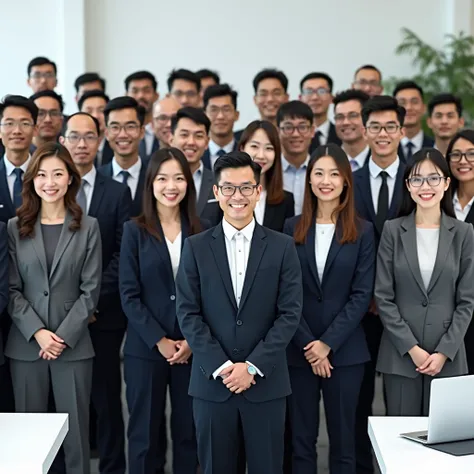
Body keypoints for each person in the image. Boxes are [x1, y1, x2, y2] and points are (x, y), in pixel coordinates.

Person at [176, 151, 302, 474]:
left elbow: (289, 313)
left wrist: (253, 366)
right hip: (212, 385)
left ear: (258, 192)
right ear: (216, 193)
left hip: (266, 385)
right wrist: (222, 366)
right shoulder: (196, 247)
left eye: (246, 188)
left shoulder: (282, 246)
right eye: (229, 188)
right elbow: (188, 313)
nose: (238, 196)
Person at [6, 142, 102, 474]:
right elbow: (11, 289)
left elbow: (91, 291)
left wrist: (60, 336)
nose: (50, 182)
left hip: (72, 346)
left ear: (70, 180)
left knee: (76, 435)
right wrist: (38, 333)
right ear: (32, 181)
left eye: (58, 174)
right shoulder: (14, 227)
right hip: (26, 345)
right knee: (28, 441)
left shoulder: (89, 226)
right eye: (42, 174)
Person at [284, 144, 375, 474]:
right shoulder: (291, 228)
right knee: (301, 443)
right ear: (308, 180)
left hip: (346, 353)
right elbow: (286, 295)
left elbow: (361, 295)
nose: (326, 181)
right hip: (298, 353)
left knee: (344, 442)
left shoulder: (363, 231)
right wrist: (311, 346)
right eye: (318, 173)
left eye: (334, 174)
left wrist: (327, 344)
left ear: (346, 181)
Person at [120, 148, 202, 474]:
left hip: (194, 349)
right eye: (163, 178)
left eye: (179, 178)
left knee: (189, 433)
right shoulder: (134, 230)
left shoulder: (202, 228)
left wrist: (192, 341)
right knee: (144, 435)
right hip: (146, 348)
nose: (171, 186)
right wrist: (159, 340)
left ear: (189, 183)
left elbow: (212, 294)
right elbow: (129, 295)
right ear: (151, 182)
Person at [375, 148, 474, 416]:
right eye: (417, 179)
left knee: (444, 445)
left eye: (433, 178)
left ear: (446, 183)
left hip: (448, 358)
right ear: (408, 186)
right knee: (401, 441)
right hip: (401, 356)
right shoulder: (392, 230)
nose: (425, 186)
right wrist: (412, 348)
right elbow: (383, 297)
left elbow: (467, 301)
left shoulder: (464, 233)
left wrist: (443, 351)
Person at [61, 112, 131, 474]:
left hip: (101, 315)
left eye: (90, 137)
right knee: (61, 401)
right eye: (75, 137)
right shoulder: (48, 188)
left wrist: (88, 302)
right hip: (55, 316)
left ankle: (113, 468)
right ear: (63, 141)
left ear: (99, 140)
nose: (82, 144)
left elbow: (122, 253)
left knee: (105, 399)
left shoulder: (117, 191)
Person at [352, 95, 406, 474]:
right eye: (375, 127)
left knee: (404, 403)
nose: (383, 134)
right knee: (358, 400)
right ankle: (359, 466)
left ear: (402, 131)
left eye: (390, 127)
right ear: (364, 130)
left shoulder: (419, 178)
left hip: (407, 312)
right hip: (359, 312)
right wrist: (367, 295)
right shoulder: (347, 181)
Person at [0, 95, 38, 413]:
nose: (17, 130)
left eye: (25, 123)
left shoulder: (48, 174)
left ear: (35, 129)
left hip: (39, 303)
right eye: (9, 123)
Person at [445, 129, 474, 375]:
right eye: (456, 155)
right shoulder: (439, 199)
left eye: (471, 154)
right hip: (443, 310)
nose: (463, 161)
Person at [239, 120, 294, 231]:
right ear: (242, 149)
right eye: (254, 146)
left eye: (269, 148)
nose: (261, 155)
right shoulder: (228, 194)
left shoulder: (285, 200)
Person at [170, 107, 221, 225]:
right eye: (184, 135)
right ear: (171, 139)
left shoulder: (218, 183)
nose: (191, 142)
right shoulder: (158, 182)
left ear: (207, 142)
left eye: (198, 136)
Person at [99, 96, 147, 217]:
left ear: (142, 132)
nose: (123, 134)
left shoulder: (155, 176)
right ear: (106, 133)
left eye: (130, 126)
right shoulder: (96, 178)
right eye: (115, 127)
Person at [278, 101, 315, 215]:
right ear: (278, 131)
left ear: (312, 131)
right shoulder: (270, 171)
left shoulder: (320, 171)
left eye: (302, 127)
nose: (295, 134)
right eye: (288, 127)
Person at [299, 72, 341, 152]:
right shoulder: (295, 135)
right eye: (309, 92)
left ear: (331, 97)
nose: (315, 97)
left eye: (321, 91)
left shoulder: (342, 133)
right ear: (300, 98)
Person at [393, 81, 434, 162]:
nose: (408, 107)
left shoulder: (435, 147)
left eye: (414, 102)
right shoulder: (386, 148)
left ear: (424, 108)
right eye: (402, 103)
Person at [202, 84, 240, 170]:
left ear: (236, 115)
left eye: (226, 109)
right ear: (204, 115)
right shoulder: (197, 155)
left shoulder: (246, 153)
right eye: (214, 110)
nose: (220, 116)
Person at [125, 71, 160, 159]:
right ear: (126, 95)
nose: (140, 96)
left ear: (156, 95)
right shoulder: (119, 132)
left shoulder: (164, 130)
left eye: (146, 91)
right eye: (135, 91)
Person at [333, 90, 370, 172]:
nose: (346, 122)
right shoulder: (327, 161)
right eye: (339, 117)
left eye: (353, 115)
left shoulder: (380, 160)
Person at [78, 90, 113, 166]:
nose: (95, 116)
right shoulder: (73, 148)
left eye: (101, 110)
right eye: (89, 111)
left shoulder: (116, 146)